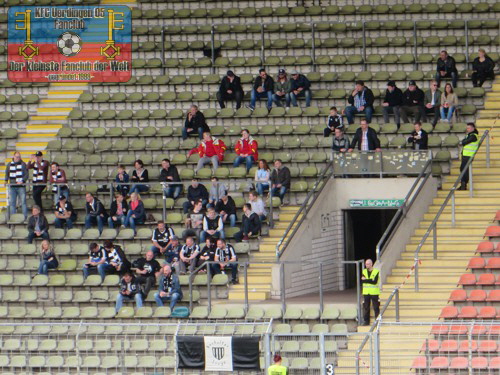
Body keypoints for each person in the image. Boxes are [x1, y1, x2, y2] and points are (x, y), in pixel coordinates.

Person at [5, 152, 28, 218]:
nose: (18, 158)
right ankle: (13, 217)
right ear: (13, 156)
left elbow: (26, 174)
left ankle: (25, 217)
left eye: (19, 157)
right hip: (12, 186)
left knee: (23, 202)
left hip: (21, 186)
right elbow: (7, 173)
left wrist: (22, 181)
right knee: (12, 203)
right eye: (16, 156)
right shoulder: (9, 164)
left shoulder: (23, 164)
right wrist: (6, 180)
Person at [459, 123, 479, 191]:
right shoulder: (469, 135)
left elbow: (464, 142)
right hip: (465, 155)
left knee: (464, 170)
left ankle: (464, 184)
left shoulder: (473, 136)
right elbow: (463, 141)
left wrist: (463, 142)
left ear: (473, 128)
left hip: (468, 155)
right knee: (462, 169)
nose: (467, 129)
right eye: (467, 128)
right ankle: (463, 184)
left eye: (469, 128)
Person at [361, 259, 380, 326]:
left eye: (368, 264)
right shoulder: (364, 271)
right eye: (366, 264)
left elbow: (374, 282)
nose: (367, 265)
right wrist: (369, 280)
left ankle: (377, 321)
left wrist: (366, 280)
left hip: (374, 292)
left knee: (376, 307)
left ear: (371, 264)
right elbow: (363, 281)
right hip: (366, 292)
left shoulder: (376, 271)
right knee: (366, 307)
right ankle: (366, 321)